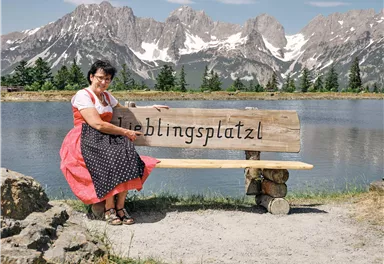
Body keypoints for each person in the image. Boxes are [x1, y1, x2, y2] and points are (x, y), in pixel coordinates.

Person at [60, 60, 168, 225]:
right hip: (85, 137)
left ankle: (120, 206)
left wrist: (151, 108)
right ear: (91, 76)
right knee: (109, 157)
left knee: (127, 153)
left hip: (105, 136)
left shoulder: (107, 96)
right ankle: (109, 207)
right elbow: (97, 124)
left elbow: (126, 111)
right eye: (100, 78)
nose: (103, 82)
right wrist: (125, 132)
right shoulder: (83, 95)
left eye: (107, 79)